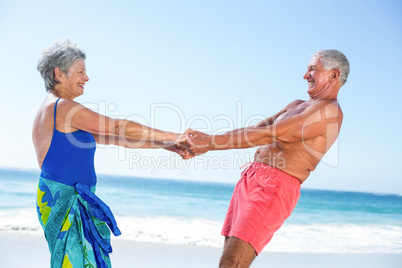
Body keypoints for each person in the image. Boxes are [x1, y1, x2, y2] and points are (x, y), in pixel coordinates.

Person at [182, 50, 350, 267]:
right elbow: (257, 129)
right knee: (228, 259)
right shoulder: (296, 104)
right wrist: (204, 143)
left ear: (334, 75)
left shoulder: (329, 111)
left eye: (312, 69)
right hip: (251, 178)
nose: (305, 75)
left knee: (232, 263)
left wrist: (210, 143)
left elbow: (271, 134)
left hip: (275, 186)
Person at [32, 39, 186, 268]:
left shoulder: (59, 110)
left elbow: (117, 139)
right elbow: (116, 126)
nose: (86, 78)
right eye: (80, 71)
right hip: (63, 200)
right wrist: (175, 135)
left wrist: (165, 145)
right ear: (59, 73)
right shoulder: (62, 107)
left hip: (73, 199)